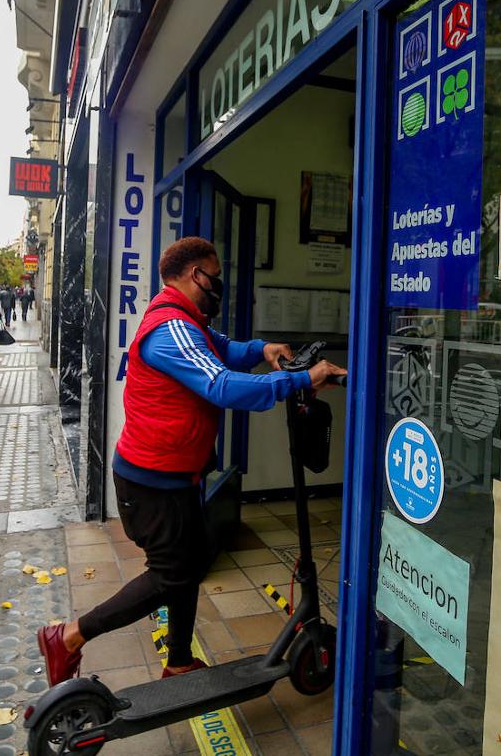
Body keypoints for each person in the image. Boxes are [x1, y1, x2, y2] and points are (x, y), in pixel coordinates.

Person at [37, 236, 346, 686]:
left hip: (175, 477)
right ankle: (67, 636)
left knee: (190, 563)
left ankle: (179, 660)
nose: (218, 284)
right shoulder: (170, 329)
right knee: (171, 575)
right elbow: (221, 386)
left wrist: (263, 350)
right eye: (214, 276)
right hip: (150, 483)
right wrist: (300, 379)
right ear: (194, 274)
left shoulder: (187, 321)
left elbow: (223, 349)